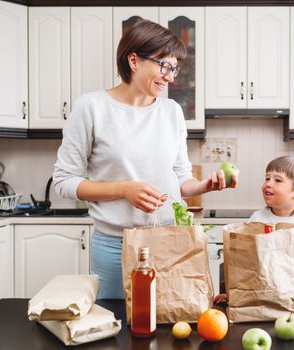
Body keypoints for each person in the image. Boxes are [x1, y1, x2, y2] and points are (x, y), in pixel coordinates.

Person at [53, 19, 237, 299]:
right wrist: (124, 189)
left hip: (170, 242)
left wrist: (204, 186)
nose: (171, 77)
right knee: (117, 332)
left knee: (171, 331)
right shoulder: (91, 108)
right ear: (134, 60)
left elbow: (180, 177)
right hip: (115, 245)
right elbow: (64, 181)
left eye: (174, 68)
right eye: (164, 66)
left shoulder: (172, 111)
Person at [214, 155, 294, 304]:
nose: (268, 184)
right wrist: (234, 293)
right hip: (264, 299)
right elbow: (246, 263)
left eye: (278, 180)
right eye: (267, 178)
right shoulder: (257, 219)